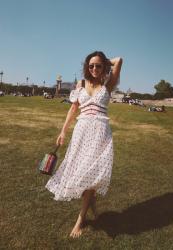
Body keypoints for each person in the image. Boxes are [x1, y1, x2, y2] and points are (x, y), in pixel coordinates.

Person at [45, 51, 123, 238]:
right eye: (91, 66)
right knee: (81, 172)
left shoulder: (108, 83)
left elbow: (119, 60)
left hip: (100, 133)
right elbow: (73, 109)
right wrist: (63, 131)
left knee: (91, 172)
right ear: (86, 68)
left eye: (98, 65)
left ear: (104, 66)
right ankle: (92, 203)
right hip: (82, 132)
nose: (94, 69)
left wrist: (105, 61)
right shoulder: (80, 84)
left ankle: (80, 220)